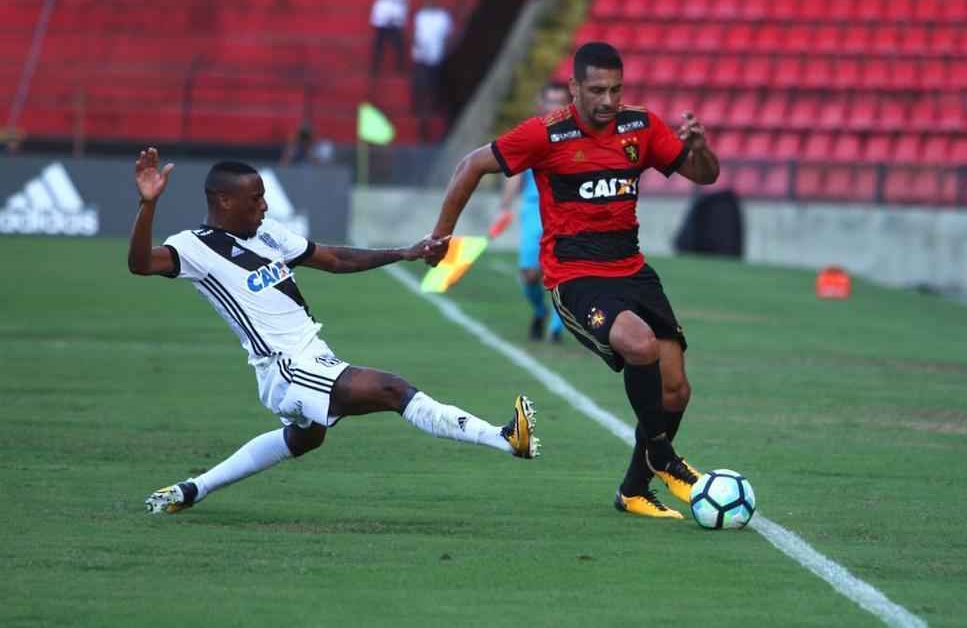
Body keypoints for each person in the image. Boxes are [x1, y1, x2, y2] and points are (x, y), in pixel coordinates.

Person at [128, 148, 539, 515]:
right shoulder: (195, 247)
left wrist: (404, 252)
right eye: (255, 199)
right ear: (223, 200)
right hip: (285, 368)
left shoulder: (267, 233)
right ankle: (506, 438)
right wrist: (148, 206)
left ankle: (192, 489)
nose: (265, 206)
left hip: (314, 354)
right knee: (393, 390)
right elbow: (141, 264)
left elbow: (335, 258)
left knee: (304, 440)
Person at [424, 42, 720, 520]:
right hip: (575, 276)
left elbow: (703, 175)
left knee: (676, 391)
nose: (609, 100)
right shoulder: (545, 134)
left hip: (633, 269)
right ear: (575, 88)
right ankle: (663, 458)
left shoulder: (640, 126)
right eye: (598, 90)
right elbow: (471, 165)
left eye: (616, 89)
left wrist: (700, 150)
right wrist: (441, 237)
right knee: (639, 345)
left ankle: (634, 490)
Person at [495, 83, 570, 342]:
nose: (554, 107)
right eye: (550, 101)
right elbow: (513, 171)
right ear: (541, 105)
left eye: (560, 102)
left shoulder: (578, 136)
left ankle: (556, 328)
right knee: (529, 273)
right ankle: (540, 311)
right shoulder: (531, 135)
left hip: (567, 212)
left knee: (562, 271)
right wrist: (505, 206)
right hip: (533, 210)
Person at [410, 0, 456, 138]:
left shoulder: (443, 17)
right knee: (419, 84)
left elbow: (448, 36)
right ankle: (418, 105)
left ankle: (434, 105)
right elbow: (416, 33)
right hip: (421, 56)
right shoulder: (420, 16)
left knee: (434, 84)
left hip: (436, 57)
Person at [369, 0, 409, 75]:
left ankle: (400, 68)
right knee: (379, 44)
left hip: (396, 18)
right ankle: (375, 68)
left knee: (398, 45)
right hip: (381, 17)